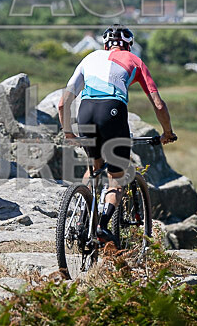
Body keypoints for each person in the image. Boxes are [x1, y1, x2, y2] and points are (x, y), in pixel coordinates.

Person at [58, 25, 176, 242]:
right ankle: (102, 226)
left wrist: (68, 133)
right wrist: (167, 132)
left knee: (93, 167)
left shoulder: (90, 58)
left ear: (105, 44)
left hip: (85, 112)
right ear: (129, 45)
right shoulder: (135, 61)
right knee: (117, 177)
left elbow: (62, 104)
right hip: (112, 111)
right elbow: (158, 105)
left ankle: (82, 219)